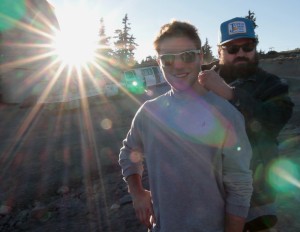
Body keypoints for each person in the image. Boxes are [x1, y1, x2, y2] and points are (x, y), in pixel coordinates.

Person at [119, 20, 253, 232]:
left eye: (187, 56)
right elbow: (129, 151)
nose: (178, 65)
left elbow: (240, 188)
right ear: (159, 62)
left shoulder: (226, 114)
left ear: (200, 56)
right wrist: (137, 193)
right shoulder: (149, 112)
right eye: (168, 59)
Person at [199, 17, 294, 232]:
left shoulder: (273, 85)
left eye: (248, 47)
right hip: (213, 192)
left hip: (257, 193)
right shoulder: (200, 82)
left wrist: (232, 95)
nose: (241, 53)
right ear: (220, 51)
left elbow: (272, 121)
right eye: (232, 48)